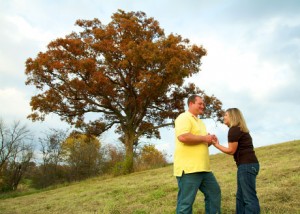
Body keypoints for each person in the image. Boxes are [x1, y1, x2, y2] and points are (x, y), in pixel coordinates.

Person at [174, 94, 221, 214]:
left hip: (204, 168)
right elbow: (183, 137)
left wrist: (210, 140)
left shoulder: (200, 122)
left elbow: (201, 141)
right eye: (200, 103)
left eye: (203, 104)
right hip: (189, 169)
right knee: (186, 203)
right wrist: (205, 138)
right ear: (191, 104)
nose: (203, 106)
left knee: (214, 193)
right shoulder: (183, 117)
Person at [212, 108, 260, 214]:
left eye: (225, 115)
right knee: (241, 197)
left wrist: (216, 145)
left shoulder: (234, 129)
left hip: (246, 166)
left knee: (248, 198)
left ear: (232, 116)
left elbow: (231, 150)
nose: (223, 117)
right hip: (248, 165)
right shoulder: (240, 129)